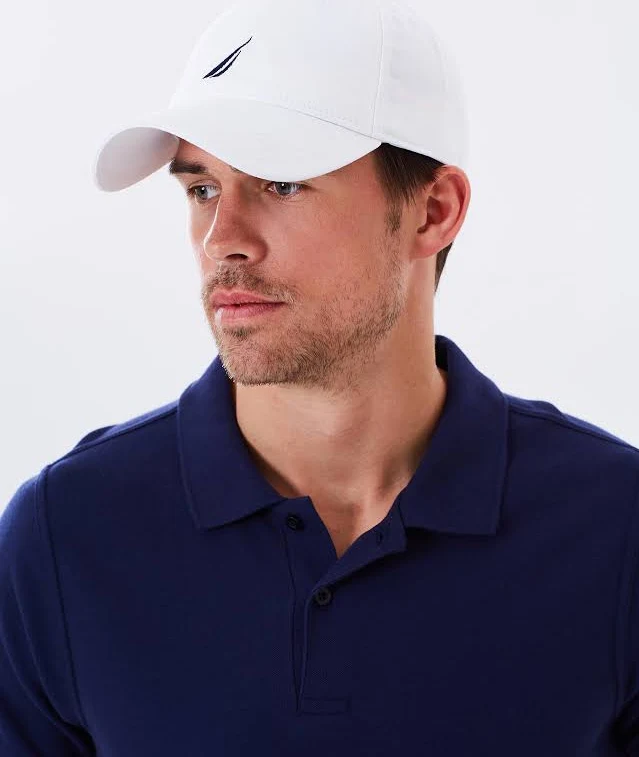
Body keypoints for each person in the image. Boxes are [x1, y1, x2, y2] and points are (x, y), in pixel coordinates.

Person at [1, 0, 638, 754]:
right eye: (202, 189)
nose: (222, 241)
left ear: (433, 211)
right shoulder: (67, 534)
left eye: (281, 184)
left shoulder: (613, 525)